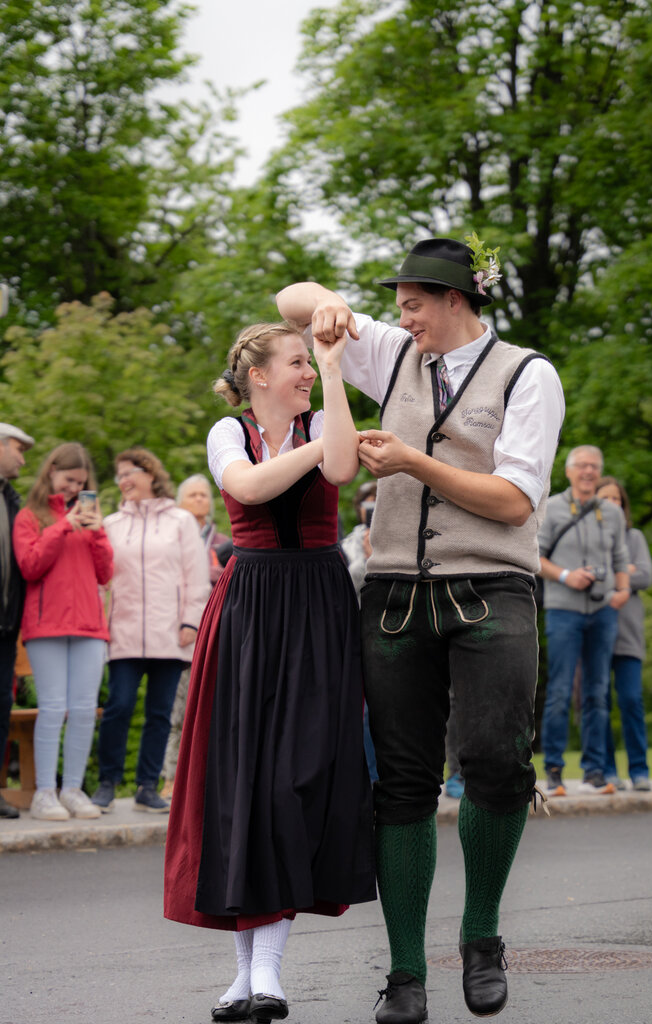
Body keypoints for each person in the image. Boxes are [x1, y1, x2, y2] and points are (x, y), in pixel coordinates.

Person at [276, 235, 564, 1024]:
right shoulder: (397, 352)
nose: (402, 319)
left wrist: (412, 461)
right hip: (397, 589)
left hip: (494, 586)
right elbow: (290, 302)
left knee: (496, 761)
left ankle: (481, 937)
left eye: (413, 305)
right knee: (400, 782)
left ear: (455, 301)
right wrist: (325, 304)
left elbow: (513, 501)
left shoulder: (528, 373)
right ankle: (405, 974)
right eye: (395, 306)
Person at [163, 321, 375, 1024]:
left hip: (316, 603)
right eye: (297, 363)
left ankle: (269, 968)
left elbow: (343, 469)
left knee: (296, 779)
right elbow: (249, 488)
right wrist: (319, 443)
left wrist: (335, 367)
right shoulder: (229, 433)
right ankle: (246, 974)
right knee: (243, 784)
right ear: (257, 375)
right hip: (251, 606)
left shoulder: (326, 412)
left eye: (308, 363)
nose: (307, 372)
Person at [92, 449, 209, 814]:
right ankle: (107, 783)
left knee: (159, 713)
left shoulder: (180, 521)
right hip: (123, 632)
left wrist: (191, 620)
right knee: (119, 706)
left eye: (130, 473)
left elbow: (196, 574)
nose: (123, 480)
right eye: (119, 475)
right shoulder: (110, 524)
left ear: (150, 474)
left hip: (170, 633)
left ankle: (146, 786)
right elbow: (101, 579)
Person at [12, 443, 112, 820]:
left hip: (88, 625)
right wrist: (62, 528)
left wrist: (98, 532)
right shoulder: (29, 516)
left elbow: (104, 573)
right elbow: (30, 566)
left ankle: (72, 790)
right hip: (46, 627)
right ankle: (44, 794)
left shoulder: (88, 521)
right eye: (69, 480)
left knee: (85, 710)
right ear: (52, 471)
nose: (74, 489)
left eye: (80, 483)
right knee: (53, 709)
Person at [537, 446, 630, 796]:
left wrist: (622, 590)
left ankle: (594, 771)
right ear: (569, 471)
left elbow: (620, 555)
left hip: (604, 608)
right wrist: (565, 576)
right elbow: (535, 554)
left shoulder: (612, 512)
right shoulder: (553, 506)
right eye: (583, 466)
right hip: (564, 608)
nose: (589, 471)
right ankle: (555, 771)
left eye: (595, 466)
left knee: (597, 691)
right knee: (560, 691)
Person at [161, 474, 229, 798]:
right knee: (177, 713)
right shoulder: (168, 539)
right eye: (193, 495)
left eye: (205, 495)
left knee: (215, 712)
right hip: (182, 636)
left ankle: (208, 783)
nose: (201, 499)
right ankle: (170, 779)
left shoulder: (223, 542)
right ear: (179, 502)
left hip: (218, 634)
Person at [595, 477, 652, 791]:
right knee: (599, 704)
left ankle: (640, 771)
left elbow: (645, 575)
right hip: (595, 633)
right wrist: (623, 572)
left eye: (617, 499)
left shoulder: (635, 537)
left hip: (628, 634)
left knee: (631, 701)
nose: (612, 503)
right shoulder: (585, 538)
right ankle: (607, 772)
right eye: (606, 498)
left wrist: (616, 573)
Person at [0, 423, 35, 819]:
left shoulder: (13, 500)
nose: (23, 459)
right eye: (17, 450)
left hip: (6, 630)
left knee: (1, 708)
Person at [341, 480, 379, 784]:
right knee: (364, 713)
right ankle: (370, 780)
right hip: (360, 633)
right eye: (370, 501)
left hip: (401, 629)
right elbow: (347, 587)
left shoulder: (412, 536)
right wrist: (370, 557)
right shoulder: (350, 544)